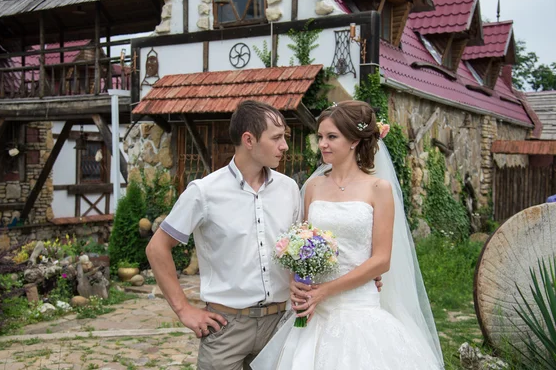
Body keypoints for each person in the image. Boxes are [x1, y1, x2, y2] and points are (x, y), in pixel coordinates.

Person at [251, 100, 444, 369]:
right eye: (320, 137)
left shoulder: (379, 188)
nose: (323, 144)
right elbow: (303, 244)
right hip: (315, 310)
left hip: (358, 307)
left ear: (354, 140)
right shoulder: (313, 187)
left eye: (332, 137)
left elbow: (381, 260)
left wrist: (325, 291)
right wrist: (297, 279)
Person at [146, 100, 302, 370]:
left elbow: (300, 251)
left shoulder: (289, 189)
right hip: (226, 328)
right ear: (249, 140)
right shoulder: (204, 192)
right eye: (276, 138)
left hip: (279, 325)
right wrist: (184, 309)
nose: (284, 146)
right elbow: (157, 247)